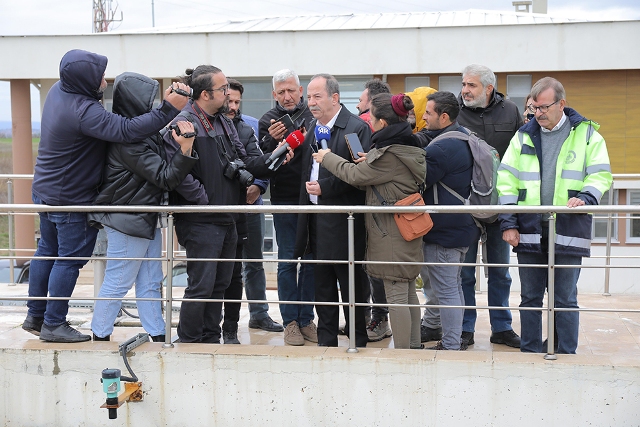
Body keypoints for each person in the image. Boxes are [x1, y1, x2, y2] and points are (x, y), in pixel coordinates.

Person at [23, 49, 190, 343]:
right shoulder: (83, 110)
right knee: (69, 259)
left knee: (46, 251)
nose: (104, 80)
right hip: (69, 197)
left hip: (45, 190)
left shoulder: (58, 91)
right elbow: (125, 130)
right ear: (85, 79)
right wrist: (166, 110)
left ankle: (36, 315)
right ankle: (53, 323)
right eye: (99, 75)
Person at [165, 65, 285, 344]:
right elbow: (178, 176)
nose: (228, 95)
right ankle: (190, 340)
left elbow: (244, 160)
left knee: (220, 284)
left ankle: (209, 337)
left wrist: (274, 158)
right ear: (205, 94)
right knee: (201, 285)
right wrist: (206, 201)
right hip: (201, 219)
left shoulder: (224, 122)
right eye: (222, 90)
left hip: (228, 216)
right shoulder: (183, 123)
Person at [497, 77, 612, 354]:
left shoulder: (587, 135)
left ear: (562, 104)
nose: (538, 113)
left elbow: (600, 174)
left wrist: (585, 197)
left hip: (569, 225)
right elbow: (506, 181)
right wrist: (508, 223)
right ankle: (531, 351)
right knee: (530, 297)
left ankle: (565, 353)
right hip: (528, 227)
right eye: (535, 108)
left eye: (544, 107)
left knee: (565, 298)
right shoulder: (522, 135)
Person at [88, 72, 198, 342]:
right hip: (128, 220)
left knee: (150, 281)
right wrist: (186, 149)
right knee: (118, 281)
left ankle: (157, 334)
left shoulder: (138, 132)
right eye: (149, 102)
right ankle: (99, 336)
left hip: (143, 218)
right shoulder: (129, 140)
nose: (154, 107)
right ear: (137, 103)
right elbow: (165, 178)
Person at [420, 64, 524, 347]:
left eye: (471, 85)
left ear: (488, 88)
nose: (465, 90)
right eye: (464, 84)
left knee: (499, 272)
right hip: (465, 209)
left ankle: (501, 327)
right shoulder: (455, 113)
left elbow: (522, 150)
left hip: (498, 205)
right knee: (463, 274)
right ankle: (464, 329)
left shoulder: (511, 112)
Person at [313, 93, 426, 349]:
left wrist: (327, 156)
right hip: (406, 227)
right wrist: (370, 161)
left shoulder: (389, 156)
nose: (368, 121)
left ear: (383, 123)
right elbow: (380, 171)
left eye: (372, 117)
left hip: (392, 233)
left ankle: (404, 355)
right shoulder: (405, 147)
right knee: (407, 293)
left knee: (396, 296)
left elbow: (353, 175)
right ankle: (414, 348)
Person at [294, 73, 372, 348]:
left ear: (335, 98)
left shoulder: (354, 128)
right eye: (309, 97)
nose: (311, 103)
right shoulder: (313, 127)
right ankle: (326, 344)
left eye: (317, 97)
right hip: (315, 221)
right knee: (322, 288)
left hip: (345, 223)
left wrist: (325, 187)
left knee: (352, 286)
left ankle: (357, 342)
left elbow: (361, 175)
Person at [220, 78, 283, 344]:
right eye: (229, 101)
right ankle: (218, 322)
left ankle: (259, 313)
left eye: (237, 101)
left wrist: (257, 187)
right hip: (223, 208)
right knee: (225, 268)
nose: (233, 106)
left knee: (254, 262)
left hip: (251, 206)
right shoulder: (209, 125)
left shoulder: (252, 125)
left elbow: (263, 162)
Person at [415, 91, 479, 351]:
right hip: (462, 226)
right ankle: (453, 339)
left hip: (444, 231)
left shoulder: (442, 147)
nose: (423, 117)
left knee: (447, 290)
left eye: (428, 113)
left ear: (443, 116)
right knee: (454, 286)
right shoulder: (465, 136)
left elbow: (418, 180)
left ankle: (451, 343)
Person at [259, 69, 317, 345]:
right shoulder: (268, 121)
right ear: (274, 94)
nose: (287, 96)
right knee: (286, 262)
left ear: (300, 89)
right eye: (281, 92)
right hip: (283, 199)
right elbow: (261, 162)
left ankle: (307, 320)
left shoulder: (313, 116)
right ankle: (290, 322)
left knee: (310, 262)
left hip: (312, 199)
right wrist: (272, 141)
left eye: (291, 90)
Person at [353, 78, 393, 342]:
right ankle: (371, 317)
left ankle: (379, 317)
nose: (357, 105)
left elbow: (360, 167)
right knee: (368, 267)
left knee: (374, 268)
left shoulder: (369, 125)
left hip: (375, 207)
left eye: (361, 100)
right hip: (366, 207)